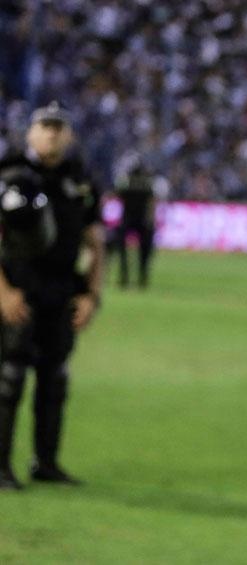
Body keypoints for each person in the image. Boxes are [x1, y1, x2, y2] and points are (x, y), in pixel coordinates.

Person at [0, 102, 105, 490]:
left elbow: (96, 243)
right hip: (19, 288)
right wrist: (3, 292)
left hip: (61, 290)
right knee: (9, 377)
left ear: (69, 135)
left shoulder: (80, 180)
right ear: (30, 132)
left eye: (59, 127)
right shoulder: (9, 173)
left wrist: (92, 295)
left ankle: (45, 463)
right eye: (45, 126)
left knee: (55, 377)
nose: (52, 133)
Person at [113, 161, 157, 288]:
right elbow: (151, 204)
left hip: (128, 220)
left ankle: (125, 276)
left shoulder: (127, 185)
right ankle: (142, 276)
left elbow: (117, 196)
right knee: (145, 249)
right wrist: (150, 222)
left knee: (122, 248)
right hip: (141, 221)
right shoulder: (147, 186)